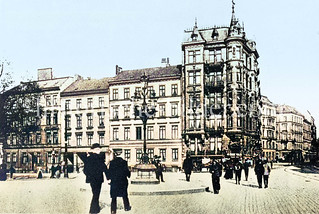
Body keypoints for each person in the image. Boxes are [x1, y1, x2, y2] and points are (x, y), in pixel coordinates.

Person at [83, 143, 108, 214]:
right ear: (93, 150)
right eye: (97, 149)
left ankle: (96, 208)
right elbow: (104, 168)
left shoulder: (88, 159)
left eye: (99, 149)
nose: (99, 150)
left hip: (91, 180)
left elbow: (85, 170)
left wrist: (89, 176)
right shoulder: (100, 158)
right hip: (98, 179)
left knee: (95, 193)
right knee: (96, 194)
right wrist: (108, 177)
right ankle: (92, 210)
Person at [107, 149, 131, 214]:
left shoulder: (112, 162)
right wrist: (129, 174)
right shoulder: (124, 162)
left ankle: (113, 210)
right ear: (121, 154)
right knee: (124, 195)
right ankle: (127, 207)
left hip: (114, 182)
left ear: (115, 154)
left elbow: (109, 173)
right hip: (123, 182)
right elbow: (127, 173)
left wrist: (109, 178)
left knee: (114, 197)